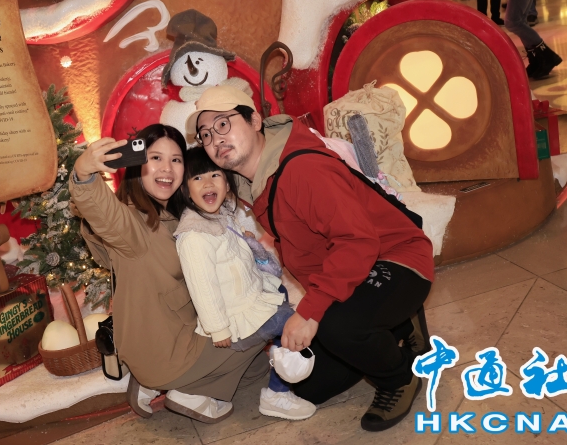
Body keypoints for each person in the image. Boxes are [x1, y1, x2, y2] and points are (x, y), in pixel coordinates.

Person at [188, 85, 434, 432]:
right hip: (351, 271)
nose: (216, 140)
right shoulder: (255, 182)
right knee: (308, 386)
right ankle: (396, 324)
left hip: (395, 258)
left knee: (336, 326)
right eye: (206, 134)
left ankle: (399, 378)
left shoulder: (301, 169)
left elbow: (358, 242)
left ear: (255, 120)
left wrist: (310, 311)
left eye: (224, 124)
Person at [70, 124, 269, 424]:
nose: (167, 168)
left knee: (256, 371)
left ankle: (152, 383)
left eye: (176, 160)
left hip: (181, 332)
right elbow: (105, 213)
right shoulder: (132, 223)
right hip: (166, 350)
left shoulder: (177, 215)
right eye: (155, 158)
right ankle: (187, 392)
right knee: (268, 318)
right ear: (138, 164)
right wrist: (83, 175)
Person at [175, 147, 316, 421]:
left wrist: (247, 242)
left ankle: (280, 363)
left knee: (281, 292)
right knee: (293, 323)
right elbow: (203, 287)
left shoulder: (220, 215)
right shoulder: (194, 235)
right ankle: (277, 393)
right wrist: (218, 328)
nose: (208, 183)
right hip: (235, 317)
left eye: (215, 175)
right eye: (197, 178)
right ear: (186, 190)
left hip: (248, 298)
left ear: (227, 184)